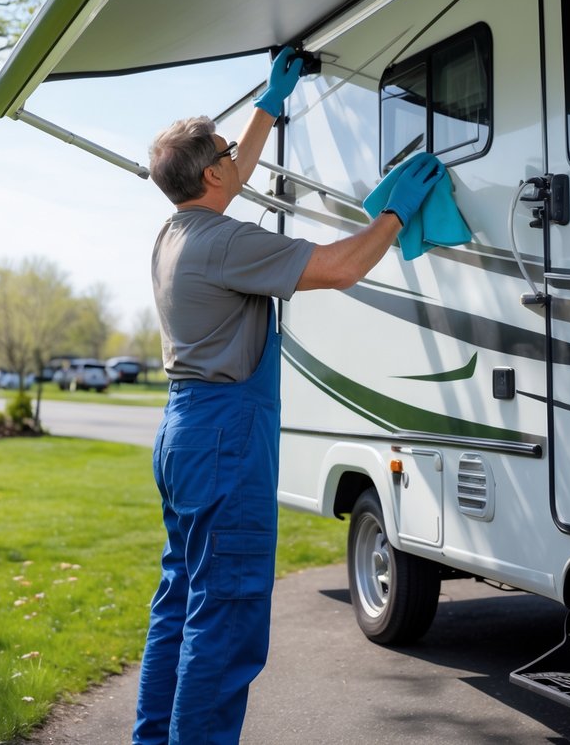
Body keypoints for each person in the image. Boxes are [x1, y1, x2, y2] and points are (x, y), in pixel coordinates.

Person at [132, 46, 442, 745]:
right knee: (226, 616)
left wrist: (270, 104)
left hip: (185, 430)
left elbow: (229, 174)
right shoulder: (223, 241)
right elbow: (339, 267)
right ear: (211, 173)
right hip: (223, 439)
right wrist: (392, 215)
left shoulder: (175, 232)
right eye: (224, 150)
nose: (233, 157)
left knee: (180, 603)